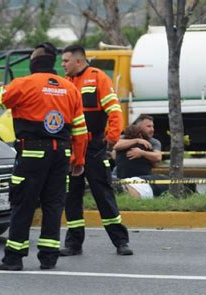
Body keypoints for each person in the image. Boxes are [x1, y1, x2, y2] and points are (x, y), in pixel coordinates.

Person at [0, 43, 88, 270]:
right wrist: (78, 160)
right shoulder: (70, 89)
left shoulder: (24, 84)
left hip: (32, 152)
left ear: (34, 63)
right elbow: (80, 129)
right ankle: (48, 257)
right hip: (61, 154)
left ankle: (13, 258)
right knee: (53, 205)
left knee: (23, 203)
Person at [60, 45, 133, 256]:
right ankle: (74, 244)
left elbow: (114, 111)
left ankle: (121, 241)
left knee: (103, 194)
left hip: (93, 148)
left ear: (79, 61)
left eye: (66, 61)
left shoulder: (98, 77)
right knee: (71, 196)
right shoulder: (65, 83)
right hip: (72, 149)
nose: (63, 65)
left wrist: (111, 139)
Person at [113, 114, 162, 178]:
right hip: (120, 176)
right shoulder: (124, 138)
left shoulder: (153, 142)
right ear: (139, 127)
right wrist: (137, 141)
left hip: (142, 178)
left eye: (152, 126)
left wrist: (141, 153)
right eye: (148, 126)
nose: (152, 129)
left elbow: (158, 157)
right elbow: (115, 146)